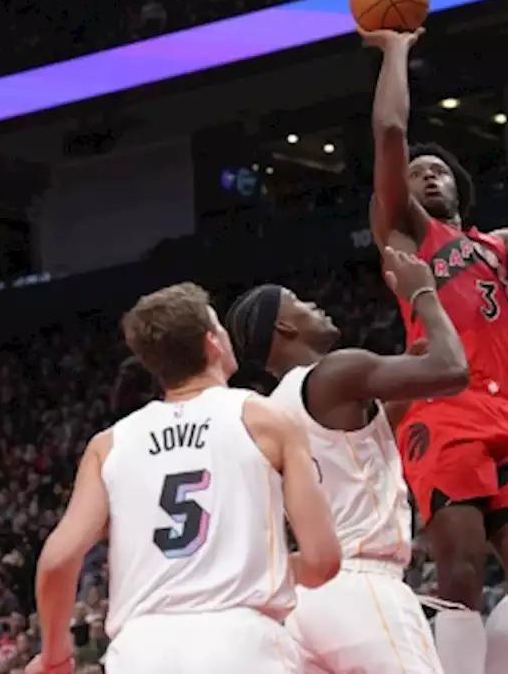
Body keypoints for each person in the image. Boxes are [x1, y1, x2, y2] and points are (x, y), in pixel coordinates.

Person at [361, 26, 508, 674]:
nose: (426, 177)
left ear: (458, 186)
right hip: (441, 410)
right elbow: (389, 134)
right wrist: (394, 51)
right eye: (416, 174)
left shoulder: (497, 246)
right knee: (461, 578)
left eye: (437, 170)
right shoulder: (407, 234)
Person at [23, 282, 342, 674]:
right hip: (241, 642)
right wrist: (251, 566)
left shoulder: (108, 445)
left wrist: (55, 656)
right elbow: (323, 560)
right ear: (213, 344)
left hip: (140, 650)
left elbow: (57, 560)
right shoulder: (267, 419)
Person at [224, 247, 469, 674]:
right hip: (362, 583)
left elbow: (351, 455)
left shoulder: (271, 411)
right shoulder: (337, 371)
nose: (314, 305)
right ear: (284, 325)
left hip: (306, 603)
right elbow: (452, 369)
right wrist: (424, 293)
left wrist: (399, 398)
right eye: (299, 301)